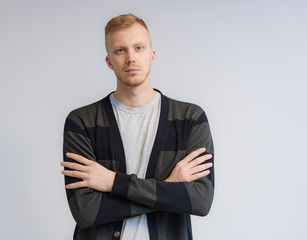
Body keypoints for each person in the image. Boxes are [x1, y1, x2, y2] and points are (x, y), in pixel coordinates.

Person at [61, 13, 214, 240]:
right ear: (109, 61)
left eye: (139, 48)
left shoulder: (189, 119)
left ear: (152, 56)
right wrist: (168, 187)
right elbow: (86, 212)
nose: (131, 58)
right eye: (120, 50)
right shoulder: (82, 122)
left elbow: (200, 201)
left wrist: (113, 182)